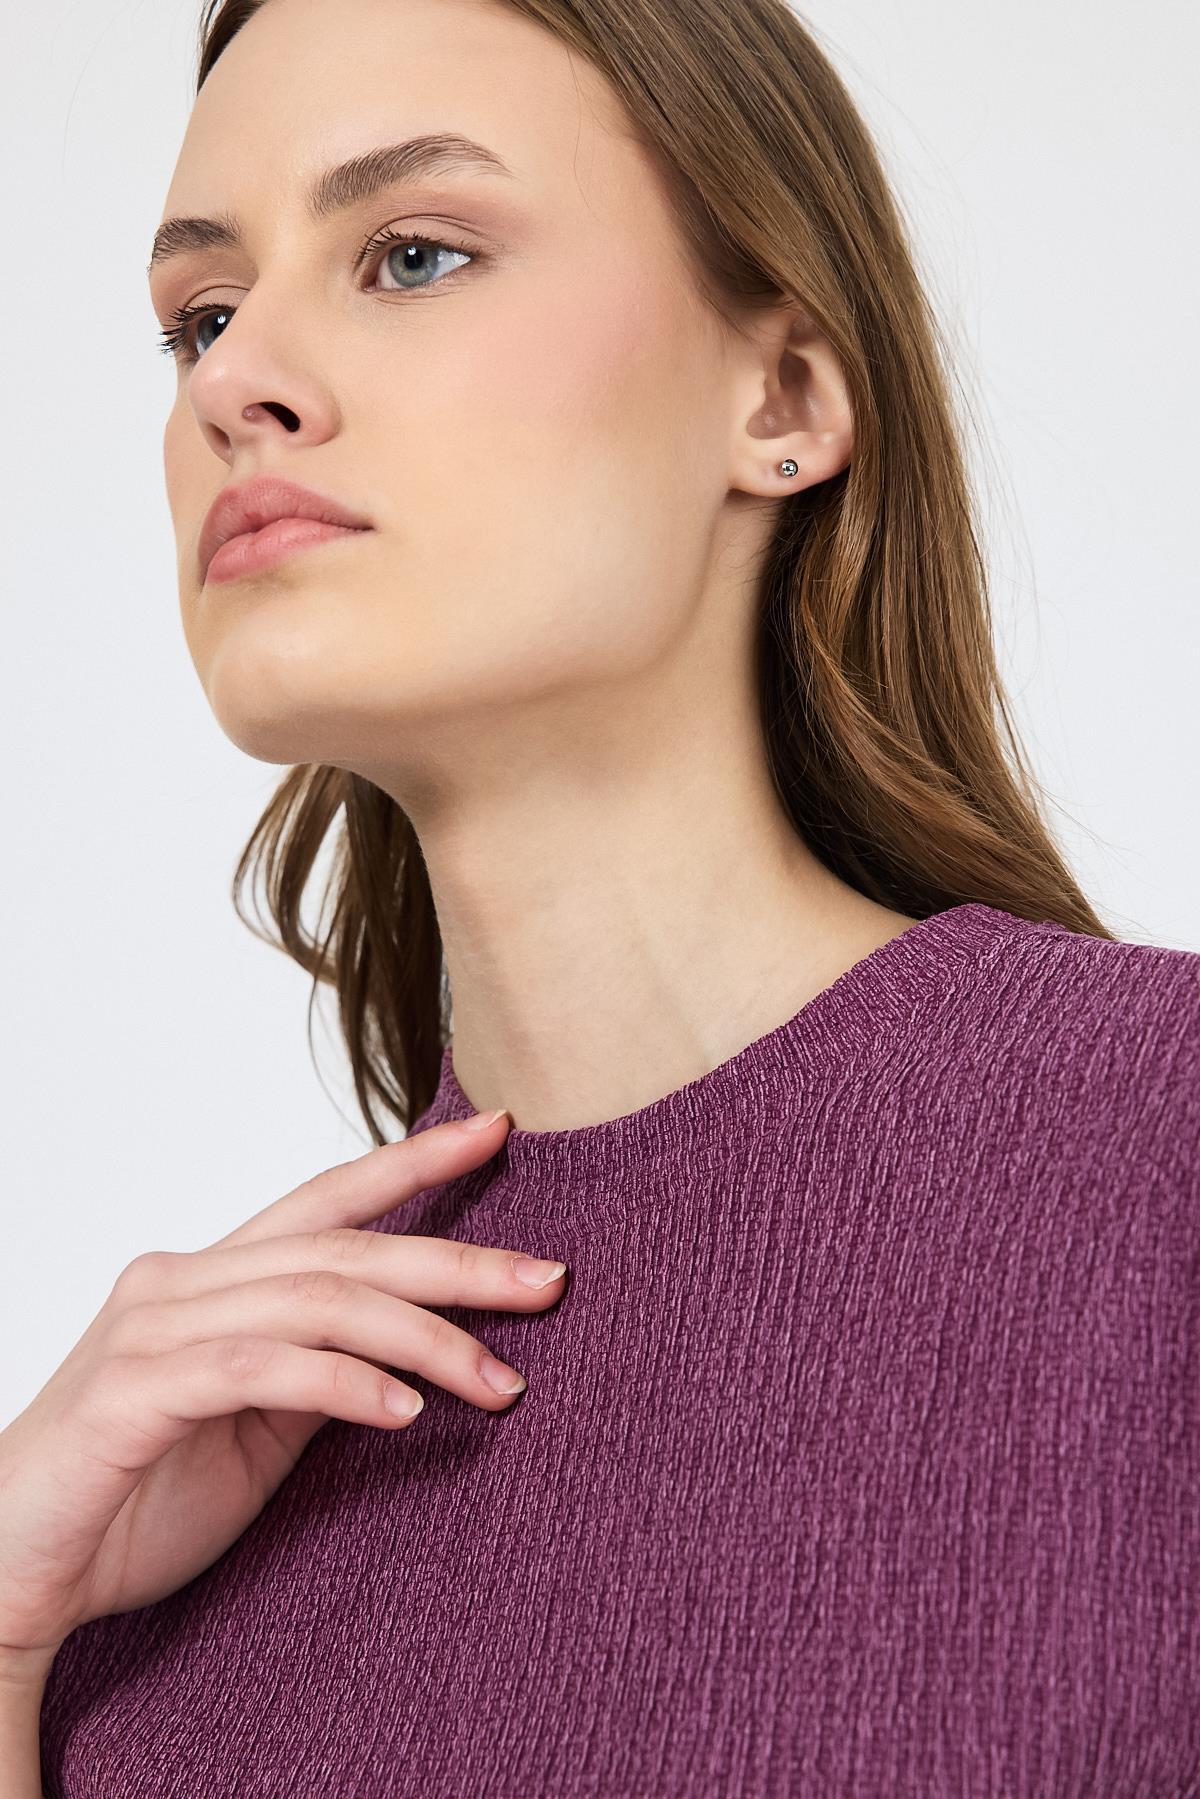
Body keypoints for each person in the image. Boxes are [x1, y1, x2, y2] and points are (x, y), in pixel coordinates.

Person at [1, 0, 1196, 1792]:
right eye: (202, 315)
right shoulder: (153, 1530)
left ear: (782, 397)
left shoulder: (1159, 1159)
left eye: (412, 254)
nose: (238, 381)